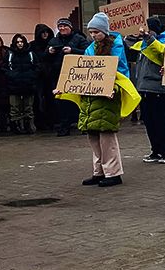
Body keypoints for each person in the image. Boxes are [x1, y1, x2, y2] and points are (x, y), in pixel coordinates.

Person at [57, 12, 137, 188]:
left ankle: (113, 173)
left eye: (96, 32)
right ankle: (99, 172)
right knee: (93, 136)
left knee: (107, 137)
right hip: (91, 97)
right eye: (91, 32)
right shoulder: (90, 48)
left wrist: (112, 89)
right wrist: (65, 86)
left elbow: (121, 73)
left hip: (108, 97)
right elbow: (81, 71)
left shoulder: (116, 47)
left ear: (104, 31)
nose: (93, 35)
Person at [126, 17, 165, 163]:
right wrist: (132, 34)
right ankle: (156, 151)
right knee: (150, 122)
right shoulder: (143, 43)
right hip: (145, 88)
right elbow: (129, 46)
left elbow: (163, 52)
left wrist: (148, 37)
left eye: (149, 29)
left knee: (162, 122)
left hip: (160, 88)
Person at [46, 18, 89, 135]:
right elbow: (45, 58)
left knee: (79, 101)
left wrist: (72, 50)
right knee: (62, 101)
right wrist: (49, 52)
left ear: (70, 27)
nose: (62, 28)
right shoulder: (54, 40)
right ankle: (64, 127)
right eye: (60, 26)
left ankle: (83, 125)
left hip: (77, 76)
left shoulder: (79, 38)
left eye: (65, 26)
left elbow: (88, 52)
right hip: (59, 76)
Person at [6, 34, 39, 135]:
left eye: (21, 42)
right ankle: (16, 125)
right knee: (14, 106)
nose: (20, 44)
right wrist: (12, 75)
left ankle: (28, 125)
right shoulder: (10, 54)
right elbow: (5, 68)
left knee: (28, 106)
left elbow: (37, 67)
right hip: (14, 85)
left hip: (28, 84)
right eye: (18, 42)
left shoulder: (31, 54)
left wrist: (31, 76)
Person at [30, 23, 55, 131]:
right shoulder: (33, 45)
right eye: (43, 33)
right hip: (39, 76)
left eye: (46, 32)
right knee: (39, 100)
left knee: (51, 99)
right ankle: (40, 121)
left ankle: (51, 121)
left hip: (50, 75)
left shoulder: (52, 43)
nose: (45, 34)